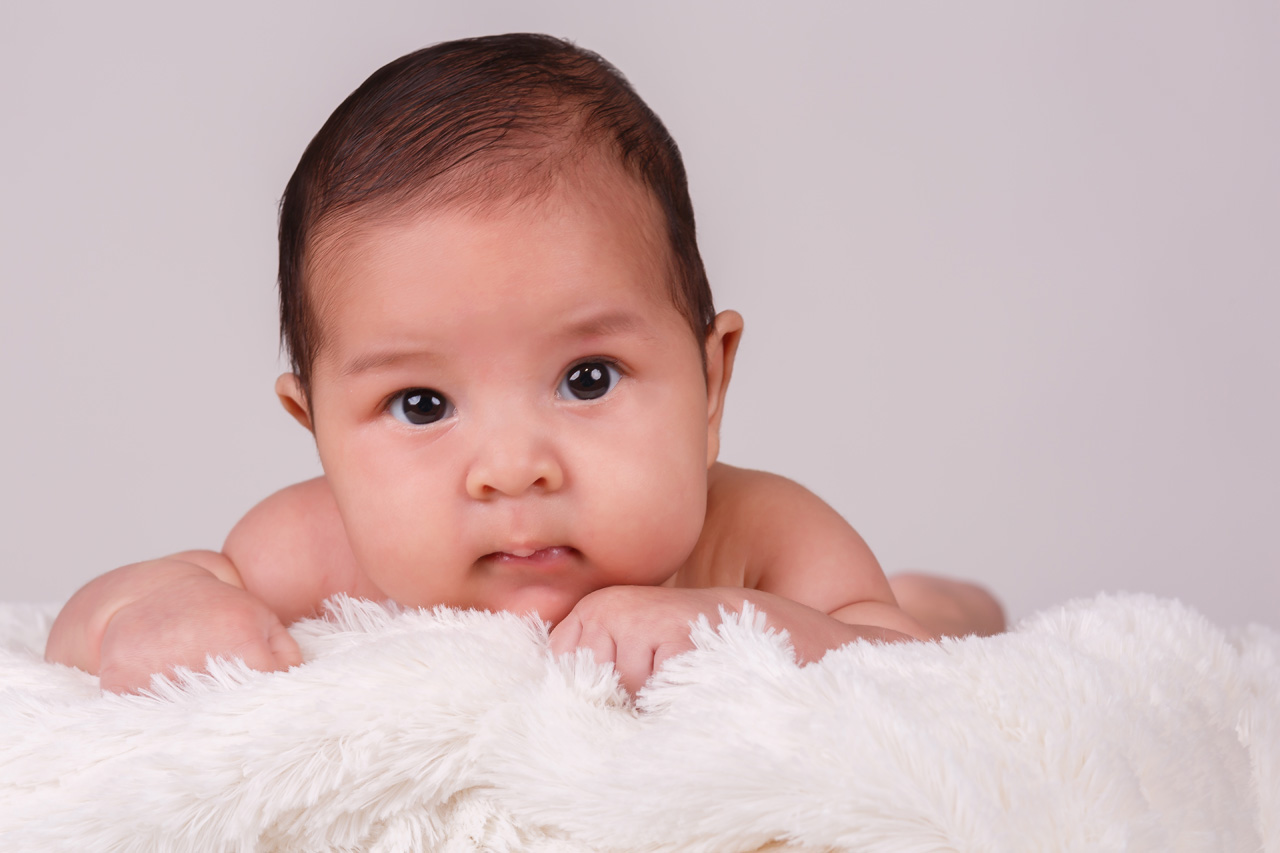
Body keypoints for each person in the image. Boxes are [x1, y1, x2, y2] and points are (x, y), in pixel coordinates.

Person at [45, 33, 1004, 696]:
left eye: (587, 378)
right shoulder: (315, 545)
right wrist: (159, 610)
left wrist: (744, 623)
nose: (512, 467)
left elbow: (907, 669)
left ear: (712, 384)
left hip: (835, 593)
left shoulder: (761, 534)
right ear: (320, 435)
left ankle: (950, 587)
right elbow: (83, 626)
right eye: (420, 403)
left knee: (939, 611)